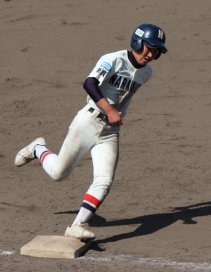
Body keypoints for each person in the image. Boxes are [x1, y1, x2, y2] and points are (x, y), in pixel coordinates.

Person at [14, 24, 168, 241]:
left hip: (110, 132)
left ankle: (77, 225)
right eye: (149, 48)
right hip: (88, 121)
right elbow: (90, 84)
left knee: (104, 179)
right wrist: (110, 110)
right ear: (137, 42)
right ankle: (38, 148)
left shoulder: (147, 73)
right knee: (58, 174)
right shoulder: (113, 59)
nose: (151, 54)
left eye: (156, 51)